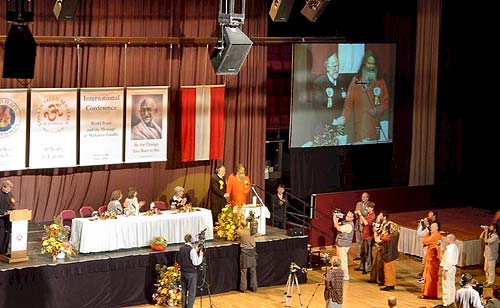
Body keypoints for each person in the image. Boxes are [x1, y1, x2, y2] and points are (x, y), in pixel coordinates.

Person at [333, 50, 390, 144]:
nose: (371, 66)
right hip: (360, 127)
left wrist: (377, 110)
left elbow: (386, 102)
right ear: (364, 64)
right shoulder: (355, 81)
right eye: (369, 63)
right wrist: (343, 118)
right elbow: (348, 105)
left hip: (375, 125)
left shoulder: (380, 82)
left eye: (373, 64)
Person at [311, 53, 350, 144]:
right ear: (327, 68)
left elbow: (345, 103)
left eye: (338, 66)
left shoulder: (342, 81)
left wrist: (343, 118)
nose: (337, 69)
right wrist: (334, 121)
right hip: (325, 126)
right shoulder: (319, 83)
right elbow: (318, 108)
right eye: (334, 66)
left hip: (341, 126)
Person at [179, 233, 203, 308]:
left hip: (183, 272)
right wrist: (201, 256)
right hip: (191, 274)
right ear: (191, 240)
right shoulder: (191, 250)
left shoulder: (181, 248)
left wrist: (194, 251)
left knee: (183, 291)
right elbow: (196, 262)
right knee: (192, 293)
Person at [420, 222, 441, 299]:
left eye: (432, 227)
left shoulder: (435, 235)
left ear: (436, 228)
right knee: (430, 277)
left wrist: (427, 233)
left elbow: (424, 241)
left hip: (432, 260)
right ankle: (430, 293)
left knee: (430, 277)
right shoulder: (435, 235)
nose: (431, 229)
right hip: (431, 259)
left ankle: (429, 294)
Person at [237, 219, 258, 292]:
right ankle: (254, 287)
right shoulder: (252, 231)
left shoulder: (240, 231)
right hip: (252, 252)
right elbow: (257, 234)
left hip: (244, 253)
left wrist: (240, 227)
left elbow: (236, 235)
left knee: (244, 271)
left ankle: (243, 288)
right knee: (253, 270)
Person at [333, 210, 354, 281]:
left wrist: (334, 218)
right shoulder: (345, 222)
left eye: (349, 216)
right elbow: (335, 225)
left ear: (352, 218)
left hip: (344, 245)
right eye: (347, 215)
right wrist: (337, 218)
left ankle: (345, 276)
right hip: (339, 243)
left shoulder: (349, 225)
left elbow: (338, 228)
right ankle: (340, 274)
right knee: (339, 260)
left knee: (343, 261)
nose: (347, 217)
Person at [355, 201, 375, 274]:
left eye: (368, 207)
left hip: (369, 238)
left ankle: (369, 269)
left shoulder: (373, 215)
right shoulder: (367, 214)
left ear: (371, 208)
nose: (366, 208)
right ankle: (362, 267)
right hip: (364, 236)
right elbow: (361, 222)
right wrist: (360, 215)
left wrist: (361, 215)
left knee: (368, 254)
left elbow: (366, 223)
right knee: (362, 253)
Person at [369, 211, 387, 286]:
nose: (378, 216)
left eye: (380, 215)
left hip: (381, 246)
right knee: (374, 263)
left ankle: (380, 280)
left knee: (379, 264)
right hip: (375, 245)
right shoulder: (379, 223)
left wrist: (375, 232)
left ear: (384, 217)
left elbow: (379, 236)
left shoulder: (386, 225)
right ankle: (373, 278)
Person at [380, 221, 399, 291]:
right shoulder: (396, 234)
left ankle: (388, 285)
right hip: (394, 256)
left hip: (389, 256)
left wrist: (383, 232)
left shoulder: (389, 237)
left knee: (388, 271)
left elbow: (381, 238)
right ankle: (392, 284)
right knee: (392, 271)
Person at [0, 180, 15, 254]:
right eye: (8, 188)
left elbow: (12, 203)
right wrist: (4, 212)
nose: (10, 190)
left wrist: (12, 210)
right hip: (1, 219)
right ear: (3, 187)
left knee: (7, 235)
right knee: (1, 235)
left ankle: (4, 251)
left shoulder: (10, 194)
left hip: (8, 218)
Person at [354, 192, 370, 261]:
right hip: (357, 225)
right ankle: (359, 254)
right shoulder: (358, 204)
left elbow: (365, 214)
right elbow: (356, 213)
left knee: (364, 242)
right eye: (362, 196)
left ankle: (365, 255)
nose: (363, 198)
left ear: (367, 197)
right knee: (358, 241)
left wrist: (359, 212)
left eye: (364, 196)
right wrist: (357, 213)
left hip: (364, 226)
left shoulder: (369, 205)